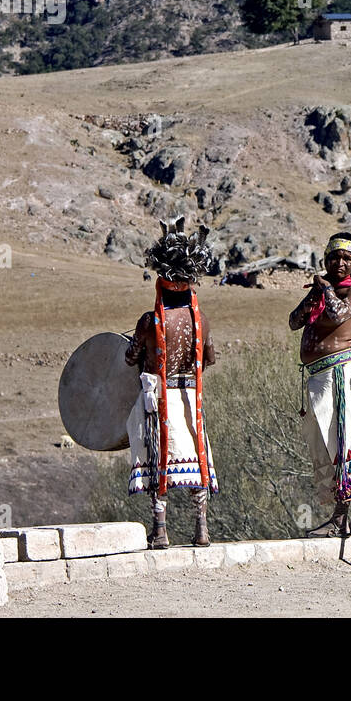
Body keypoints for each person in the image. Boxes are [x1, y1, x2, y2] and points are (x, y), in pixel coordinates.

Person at [125, 217, 218, 548]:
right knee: (197, 459)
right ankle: (201, 528)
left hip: (159, 400)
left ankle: (161, 530)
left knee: (157, 458)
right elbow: (209, 359)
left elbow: (130, 357)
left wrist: (136, 344)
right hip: (190, 399)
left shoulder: (150, 321)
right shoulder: (201, 320)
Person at [288, 233, 351, 537]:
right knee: (332, 442)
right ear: (325, 260)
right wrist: (313, 296)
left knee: (344, 442)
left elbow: (338, 314)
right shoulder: (320, 293)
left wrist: (328, 289)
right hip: (319, 377)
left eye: (346, 259)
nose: (339, 263)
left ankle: (341, 518)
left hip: (339, 377)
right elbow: (294, 321)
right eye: (334, 258)